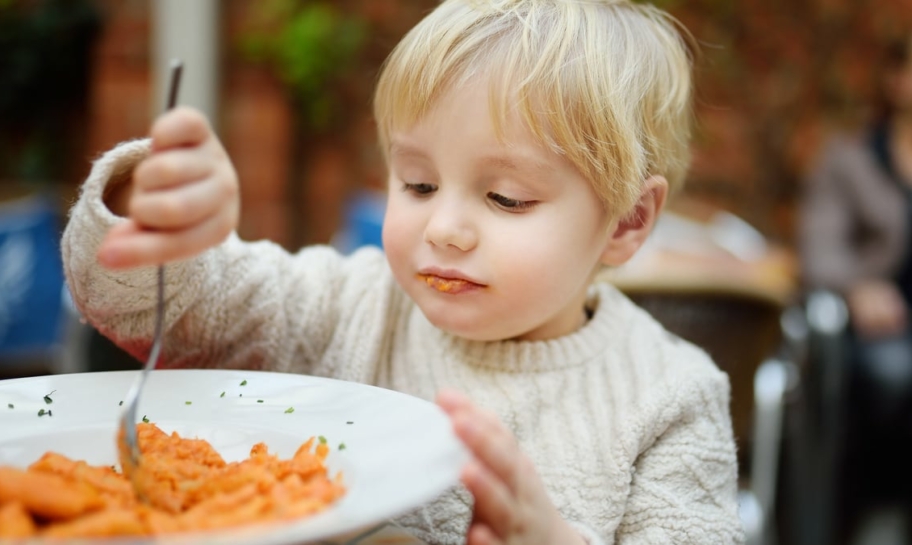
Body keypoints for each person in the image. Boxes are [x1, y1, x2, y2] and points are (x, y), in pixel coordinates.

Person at [62, 1, 743, 543]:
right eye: (417, 184)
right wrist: (149, 212)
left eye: (506, 197)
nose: (443, 227)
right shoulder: (348, 305)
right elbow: (147, 310)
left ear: (625, 220)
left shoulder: (672, 396)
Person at [799, 32, 912, 543]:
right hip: (882, 328)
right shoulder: (851, 158)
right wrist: (858, 286)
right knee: (895, 375)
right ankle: (880, 513)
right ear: (895, 79)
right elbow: (819, 248)